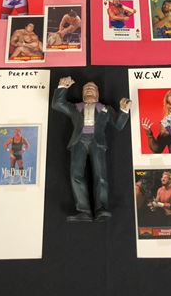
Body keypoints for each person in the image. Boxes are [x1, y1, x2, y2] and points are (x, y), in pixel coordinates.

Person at [51, 77, 131, 222]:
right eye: (86, 88)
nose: (89, 90)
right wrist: (62, 87)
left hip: (97, 142)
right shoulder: (75, 108)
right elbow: (57, 104)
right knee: (75, 174)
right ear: (82, 94)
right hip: (78, 142)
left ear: (97, 94)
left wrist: (124, 110)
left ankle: (101, 209)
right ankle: (84, 211)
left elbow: (118, 125)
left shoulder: (106, 109)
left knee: (100, 175)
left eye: (92, 88)